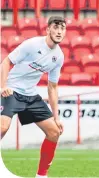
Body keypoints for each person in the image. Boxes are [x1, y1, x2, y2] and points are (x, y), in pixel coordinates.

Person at [1, 16, 66, 178]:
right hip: (12, 90)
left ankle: (41, 176)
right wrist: (3, 87)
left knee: (54, 132)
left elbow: (52, 87)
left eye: (62, 28)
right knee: (2, 127)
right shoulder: (32, 44)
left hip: (30, 95)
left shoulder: (58, 56)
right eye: (56, 27)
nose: (59, 31)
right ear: (48, 29)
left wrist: (56, 118)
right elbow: (6, 62)